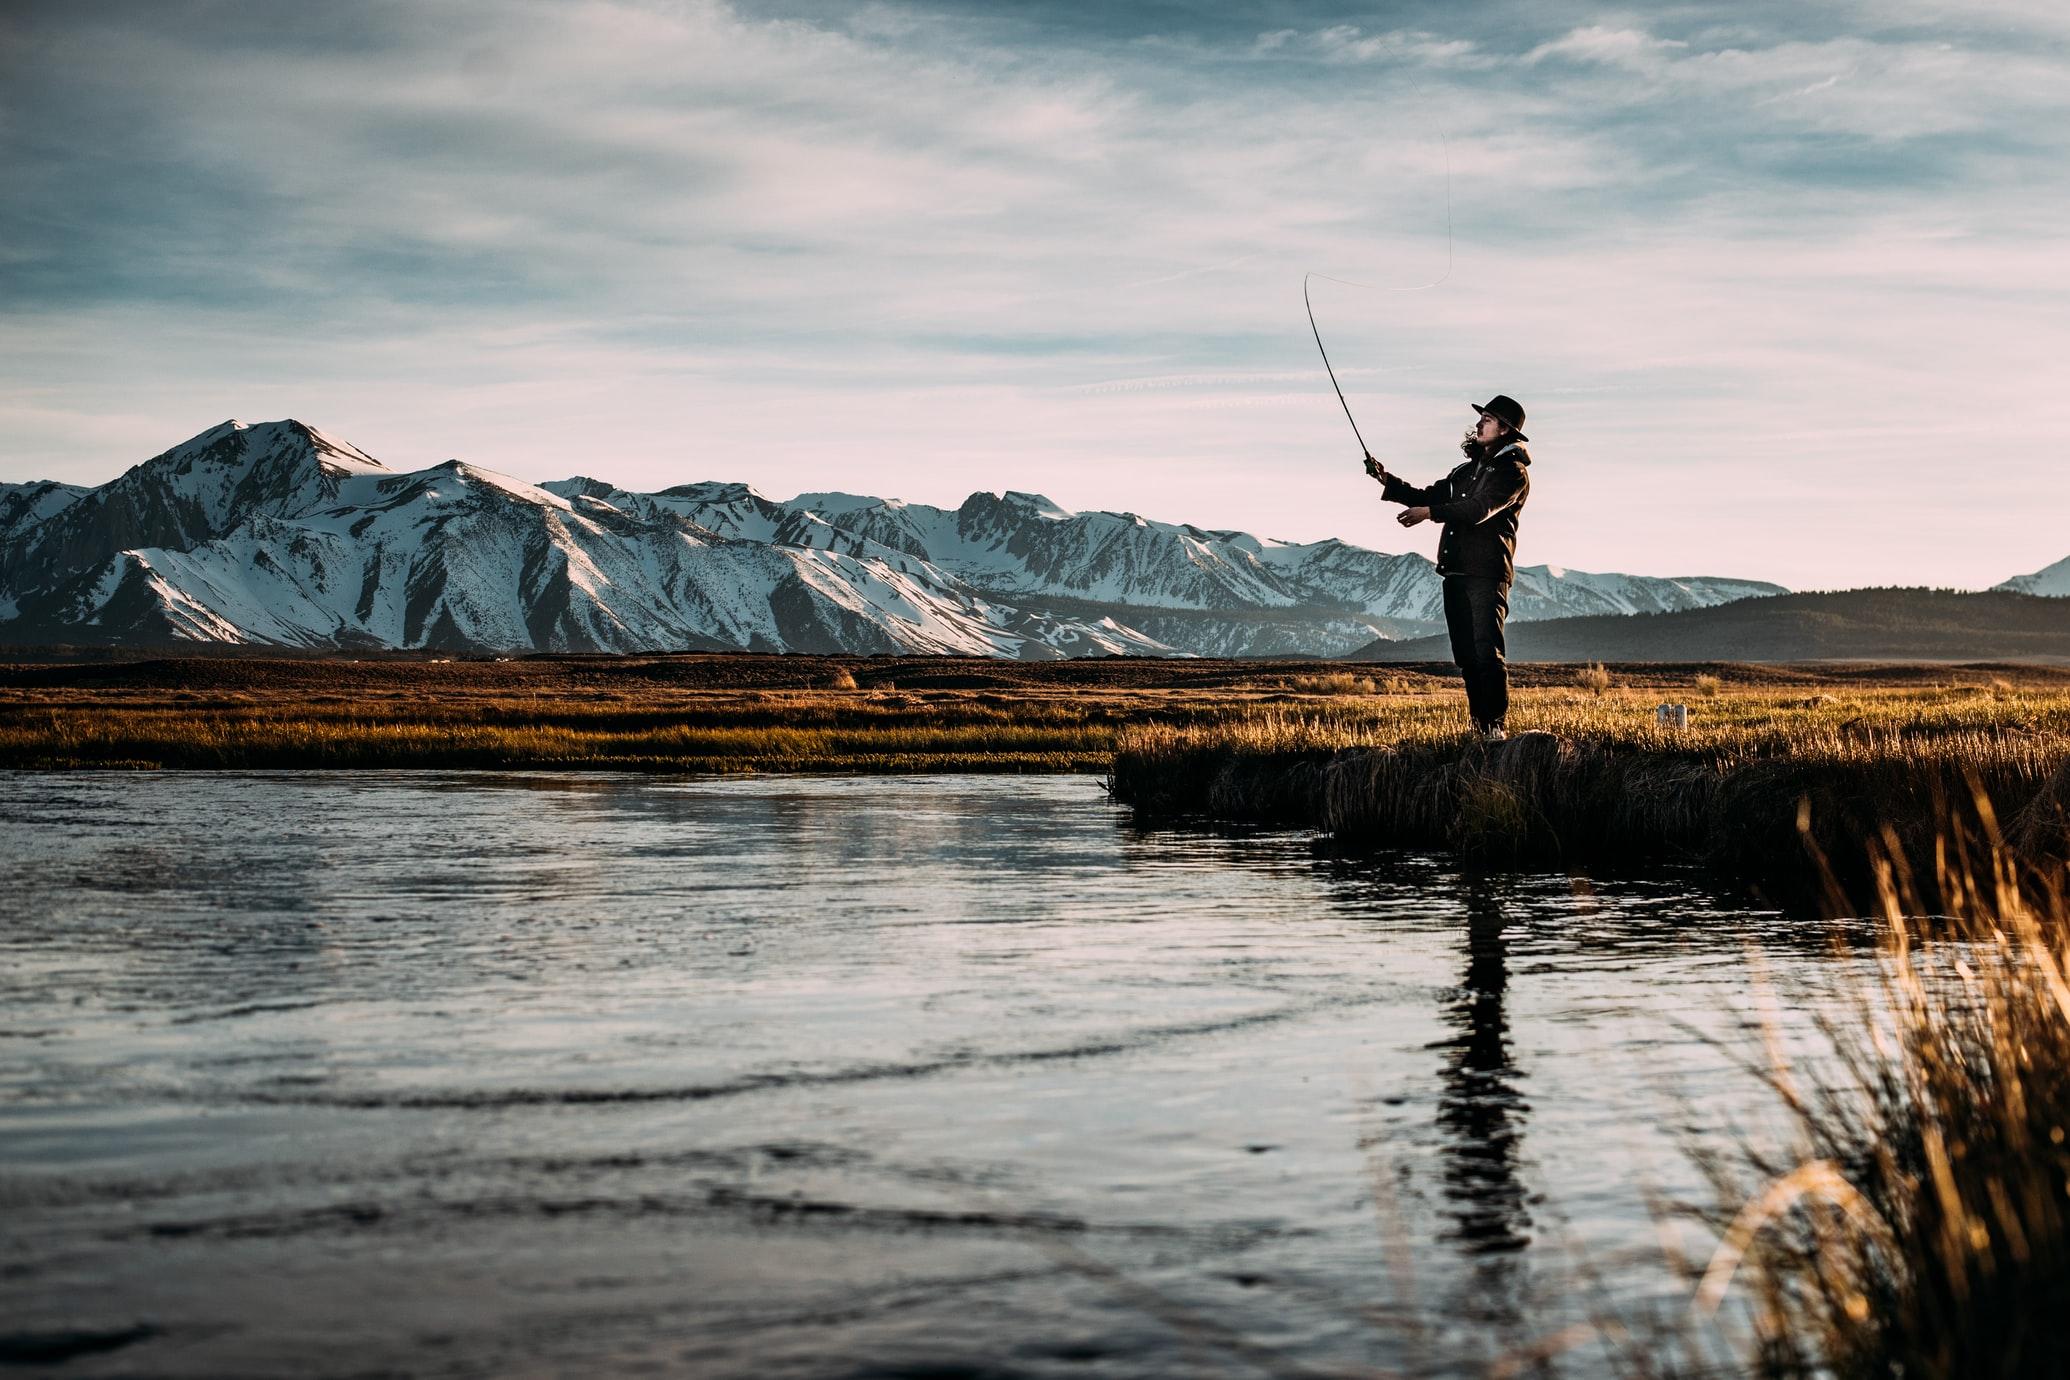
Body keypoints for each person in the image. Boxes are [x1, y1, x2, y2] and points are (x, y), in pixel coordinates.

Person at [1365, 396, 1532, 742]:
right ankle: (1480, 728)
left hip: (1487, 572)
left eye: (1487, 419)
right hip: (1455, 571)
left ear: (1505, 430)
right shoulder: (1465, 471)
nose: (1479, 424)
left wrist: (1429, 513)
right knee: (1467, 655)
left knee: (1487, 650)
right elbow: (1429, 495)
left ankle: (1496, 728)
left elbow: (1479, 509)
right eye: (1481, 418)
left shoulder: (1512, 473)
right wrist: (1386, 480)